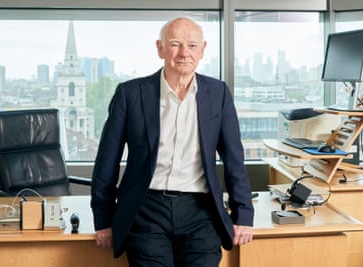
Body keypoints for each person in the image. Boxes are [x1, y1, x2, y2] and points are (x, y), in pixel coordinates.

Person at [91, 17, 254, 267]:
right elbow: (107, 161)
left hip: (201, 211)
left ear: (202, 50)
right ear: (160, 48)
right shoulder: (131, 93)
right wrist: (103, 220)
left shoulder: (218, 93)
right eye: (176, 44)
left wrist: (243, 214)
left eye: (192, 45)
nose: (184, 53)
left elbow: (234, 158)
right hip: (146, 210)